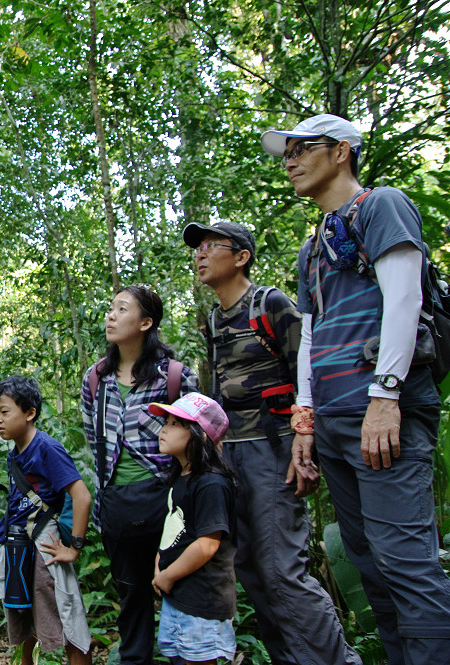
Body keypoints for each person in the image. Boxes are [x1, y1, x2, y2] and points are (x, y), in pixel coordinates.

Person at [261, 113, 450, 665]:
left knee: (407, 564)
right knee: (370, 568)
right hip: (336, 425)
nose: (290, 161)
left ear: (341, 151)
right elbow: (311, 335)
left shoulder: (381, 205)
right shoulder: (314, 244)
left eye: (301, 149)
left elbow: (405, 299)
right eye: (286, 152)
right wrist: (305, 421)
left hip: (382, 416)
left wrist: (386, 394)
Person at [181, 221, 360, 665]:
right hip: (233, 454)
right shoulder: (215, 320)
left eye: (210, 246)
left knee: (282, 569)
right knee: (252, 572)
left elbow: (309, 373)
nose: (199, 255)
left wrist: (306, 439)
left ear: (240, 256)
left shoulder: (271, 304)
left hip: (275, 448)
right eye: (196, 248)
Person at [80, 285, 199, 665]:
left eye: (122, 309)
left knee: (180, 589)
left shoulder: (174, 377)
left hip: (168, 505)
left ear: (146, 322)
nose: (110, 316)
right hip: (116, 505)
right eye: (110, 308)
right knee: (132, 597)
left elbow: (200, 440)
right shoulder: (95, 379)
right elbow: (92, 439)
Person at [0, 375, 92, 665]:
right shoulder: (15, 455)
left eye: (5, 412)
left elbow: (81, 496)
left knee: (67, 618)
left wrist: (74, 547)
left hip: (44, 543)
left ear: (30, 412)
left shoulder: (47, 448)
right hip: (17, 544)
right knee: (23, 616)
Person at [148, 392, 236, 665]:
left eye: (175, 423)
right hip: (180, 594)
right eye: (167, 421)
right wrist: (159, 567)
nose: (164, 429)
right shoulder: (182, 478)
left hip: (202, 599)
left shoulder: (210, 483)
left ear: (199, 435)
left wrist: (167, 576)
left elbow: (207, 544)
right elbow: (174, 529)